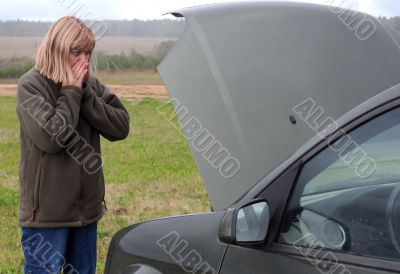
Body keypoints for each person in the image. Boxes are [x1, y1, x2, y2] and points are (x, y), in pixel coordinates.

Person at [15, 16, 130, 273]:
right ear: (57, 49)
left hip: (87, 215)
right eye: (76, 52)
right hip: (46, 218)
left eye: (88, 52)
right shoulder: (31, 86)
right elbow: (51, 138)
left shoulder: (90, 85)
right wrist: (71, 92)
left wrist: (84, 92)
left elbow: (121, 127)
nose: (84, 60)